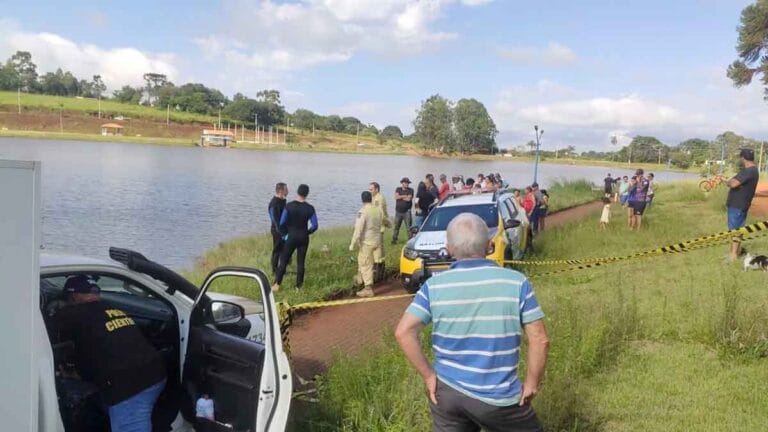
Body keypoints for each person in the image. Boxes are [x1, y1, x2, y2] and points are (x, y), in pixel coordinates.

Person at [395, 213, 549, 432]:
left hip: (447, 393)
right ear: (489, 245)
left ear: (449, 248)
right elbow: (540, 340)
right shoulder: (517, 283)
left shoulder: (434, 286)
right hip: (499, 397)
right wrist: (532, 384)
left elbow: (403, 332)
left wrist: (429, 376)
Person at [53, 275, 166, 432]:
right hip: (154, 373)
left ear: (73, 297)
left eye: (66, 299)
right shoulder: (111, 308)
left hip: (129, 386)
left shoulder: (72, 314)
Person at [273, 184, 318, 291]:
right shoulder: (310, 208)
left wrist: (285, 235)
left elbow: (282, 222)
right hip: (303, 237)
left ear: (297, 192)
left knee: (283, 260)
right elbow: (315, 225)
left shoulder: (289, 206)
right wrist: (307, 232)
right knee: (301, 262)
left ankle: (277, 285)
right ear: (307, 194)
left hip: (291, 236)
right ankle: (298, 287)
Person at [726, 148, 759, 260]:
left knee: (734, 231)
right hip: (742, 204)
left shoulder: (748, 171)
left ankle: (733, 255)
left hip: (737, 205)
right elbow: (737, 182)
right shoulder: (752, 170)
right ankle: (737, 252)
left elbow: (733, 183)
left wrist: (727, 182)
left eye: (741, 157)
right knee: (738, 230)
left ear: (743, 158)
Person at [350, 191, 384, 298]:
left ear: (362, 199)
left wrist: (353, 242)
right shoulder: (377, 210)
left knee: (366, 264)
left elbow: (358, 228)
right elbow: (384, 220)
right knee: (362, 260)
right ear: (371, 198)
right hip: (377, 241)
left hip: (367, 243)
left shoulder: (363, 211)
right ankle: (360, 279)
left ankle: (368, 288)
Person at [370, 182, 391, 281]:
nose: (370, 191)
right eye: (369, 189)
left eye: (372, 189)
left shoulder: (379, 198)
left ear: (377, 189)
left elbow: (381, 214)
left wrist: (387, 224)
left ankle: (379, 274)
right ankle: (379, 272)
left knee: (379, 252)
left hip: (379, 228)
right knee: (378, 251)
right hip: (375, 227)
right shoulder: (374, 198)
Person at [268, 182, 288, 275]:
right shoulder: (274, 203)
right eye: (286, 189)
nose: (287, 191)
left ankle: (282, 269)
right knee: (277, 250)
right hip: (277, 231)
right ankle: (275, 270)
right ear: (280, 191)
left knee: (284, 250)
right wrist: (282, 233)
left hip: (284, 230)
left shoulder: (283, 201)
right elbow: (275, 220)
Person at [392, 177, 414, 244]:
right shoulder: (398, 189)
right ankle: (394, 240)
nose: (407, 184)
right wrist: (404, 196)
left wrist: (400, 196)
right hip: (398, 212)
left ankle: (410, 241)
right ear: (402, 183)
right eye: (406, 183)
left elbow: (409, 199)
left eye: (408, 183)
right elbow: (396, 197)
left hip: (407, 211)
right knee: (396, 227)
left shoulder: (411, 190)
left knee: (409, 228)